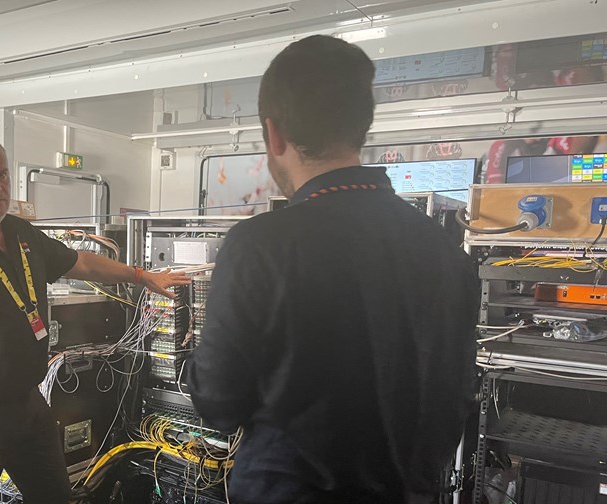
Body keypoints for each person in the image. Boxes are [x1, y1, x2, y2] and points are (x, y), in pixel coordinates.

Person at [185, 35, 480, 504]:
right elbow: (456, 401)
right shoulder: (448, 255)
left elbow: (218, 403)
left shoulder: (259, 245)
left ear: (274, 133)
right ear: (360, 128)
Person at [0, 133, 189, 504]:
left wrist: (141, 276)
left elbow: (79, 261)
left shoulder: (19, 232)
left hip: (26, 402)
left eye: (1, 175)